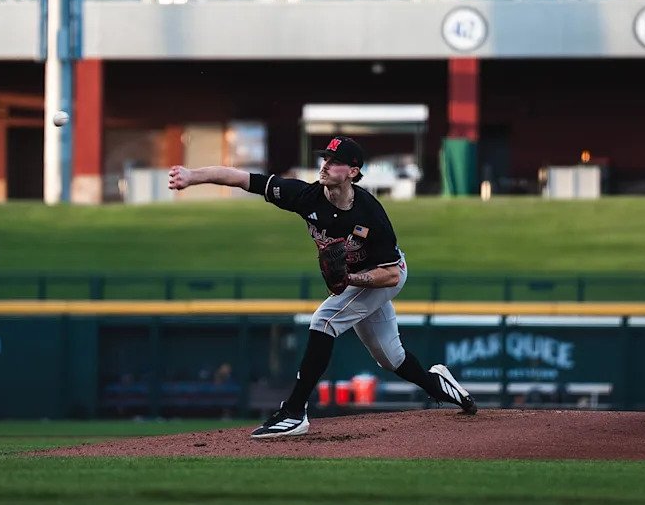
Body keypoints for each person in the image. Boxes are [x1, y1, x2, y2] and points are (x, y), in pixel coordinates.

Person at [168, 135, 477, 439]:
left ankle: (294, 411)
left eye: (336, 161)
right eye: (325, 158)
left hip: (382, 275)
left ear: (353, 172)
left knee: (324, 319)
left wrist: (350, 280)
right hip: (358, 278)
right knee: (390, 359)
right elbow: (242, 178)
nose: (326, 165)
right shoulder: (306, 196)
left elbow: (393, 275)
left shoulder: (370, 213)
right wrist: (192, 176)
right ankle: (441, 384)